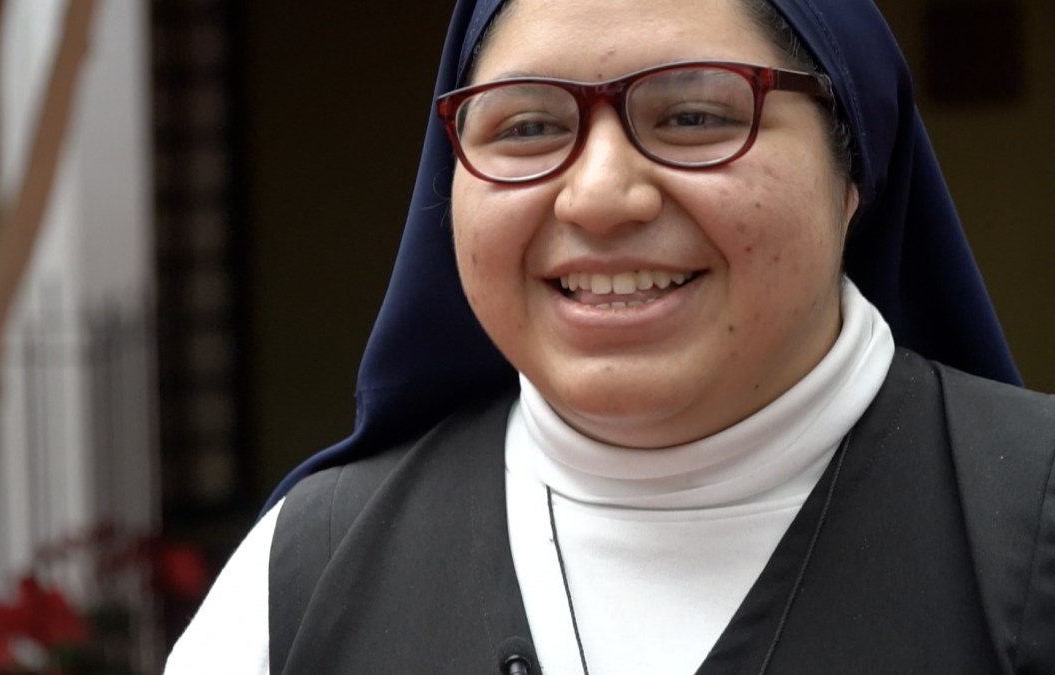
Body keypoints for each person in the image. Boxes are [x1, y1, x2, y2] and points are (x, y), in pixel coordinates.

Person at [164, 0, 1055, 672]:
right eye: (528, 126)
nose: (597, 196)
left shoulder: (1027, 537)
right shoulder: (298, 584)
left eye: (696, 115)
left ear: (855, 163)